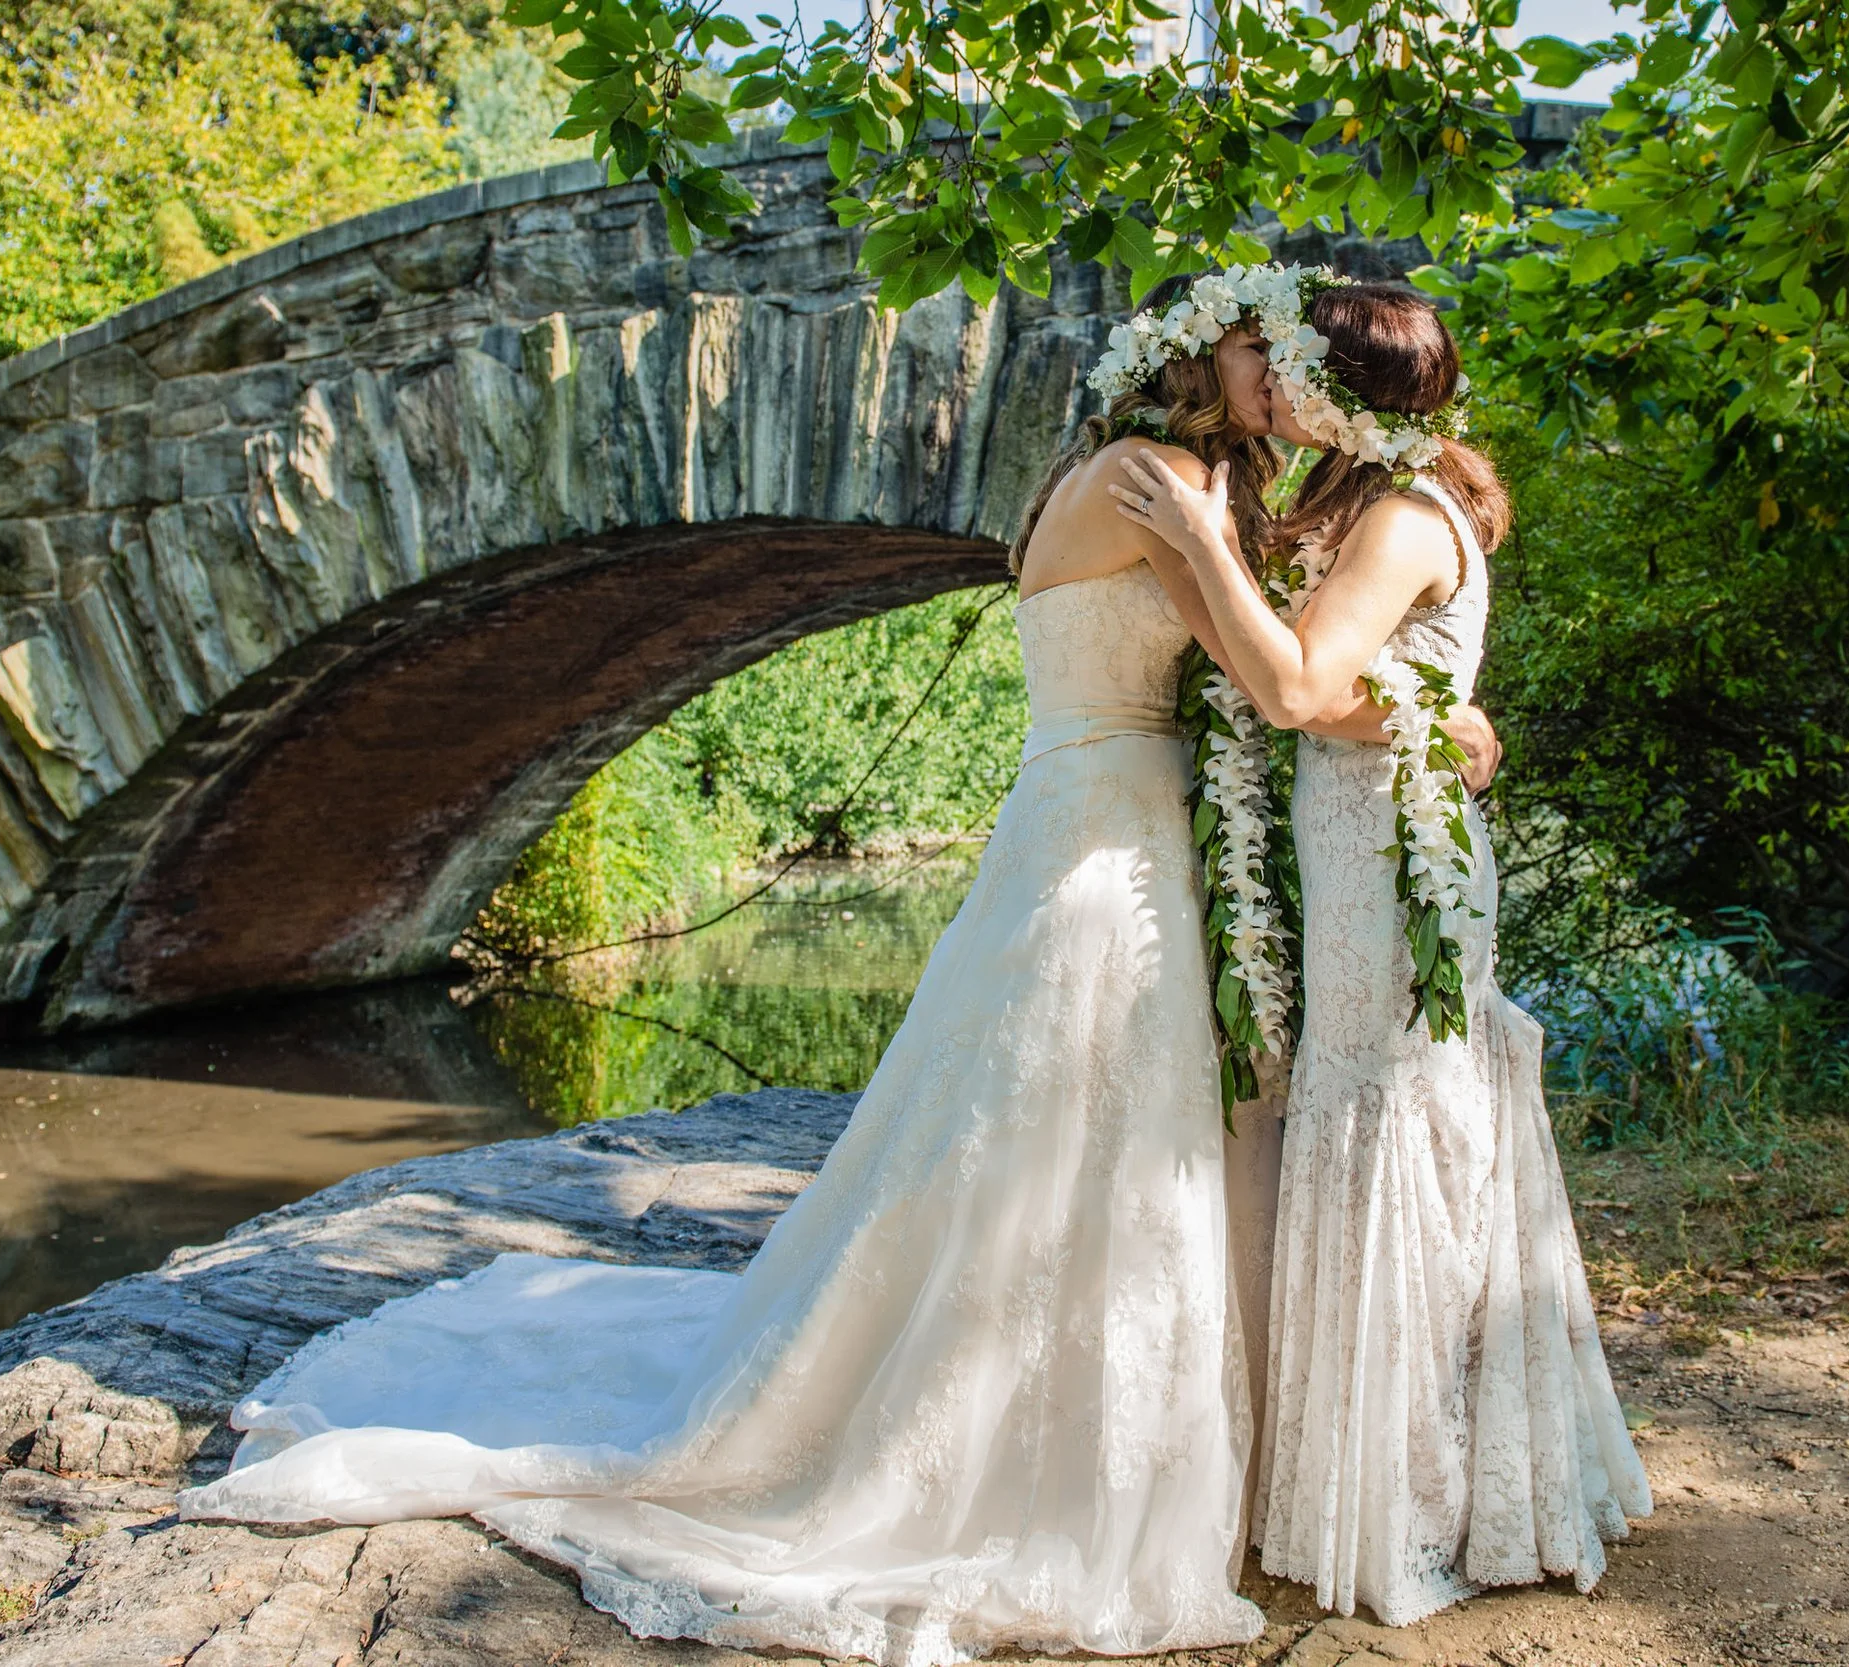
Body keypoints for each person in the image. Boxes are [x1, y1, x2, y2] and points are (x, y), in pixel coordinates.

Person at [176, 264, 1505, 1665]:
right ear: (1192, 360)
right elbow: (1270, 669)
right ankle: (1053, 1459)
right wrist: (1399, 690)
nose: (1277, 377)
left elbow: (1308, 644)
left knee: (1123, 1141)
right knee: (1083, 1131)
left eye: (1284, 355)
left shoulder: (1188, 485)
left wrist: (1432, 705)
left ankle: (1188, 1444)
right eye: (1255, 350)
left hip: (1124, 822)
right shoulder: (1147, 480)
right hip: (1105, 834)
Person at [1111, 273, 1653, 1626]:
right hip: (1373, 851)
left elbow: (1295, 684)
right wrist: (1438, 715)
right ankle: (1408, 1475)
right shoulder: (1375, 507)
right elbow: (1354, 689)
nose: (1276, 391)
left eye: (1297, 370)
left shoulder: (1405, 517)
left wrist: (1203, 542)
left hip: (1389, 869)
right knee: (1383, 1113)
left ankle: (1418, 1496)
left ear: (1351, 392)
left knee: (1390, 1118)